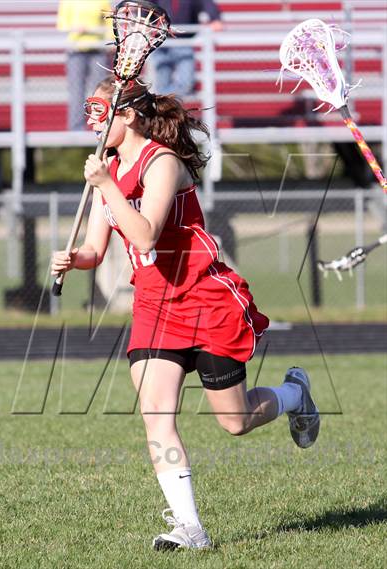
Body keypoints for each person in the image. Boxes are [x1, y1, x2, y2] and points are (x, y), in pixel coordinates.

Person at [51, 76, 320, 551]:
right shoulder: (107, 171)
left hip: (204, 298)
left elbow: (145, 235)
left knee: (235, 421)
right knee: (156, 416)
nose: (91, 123)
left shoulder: (163, 163)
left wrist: (107, 185)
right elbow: (96, 247)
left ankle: (295, 394)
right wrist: (76, 259)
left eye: (100, 112)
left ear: (128, 115)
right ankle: (190, 528)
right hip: (154, 304)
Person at [57, 0, 113, 130]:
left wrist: (110, 40)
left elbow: (110, 22)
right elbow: (62, 24)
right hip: (76, 50)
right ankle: (76, 128)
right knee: (76, 91)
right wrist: (75, 28)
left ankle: (102, 124)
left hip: (98, 50)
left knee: (101, 91)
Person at [149, 0, 223, 96]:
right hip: (161, 43)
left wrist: (215, 18)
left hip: (184, 43)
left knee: (186, 85)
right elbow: (145, 5)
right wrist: (143, 20)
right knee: (161, 84)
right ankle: (163, 98)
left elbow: (206, 4)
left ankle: (164, 97)